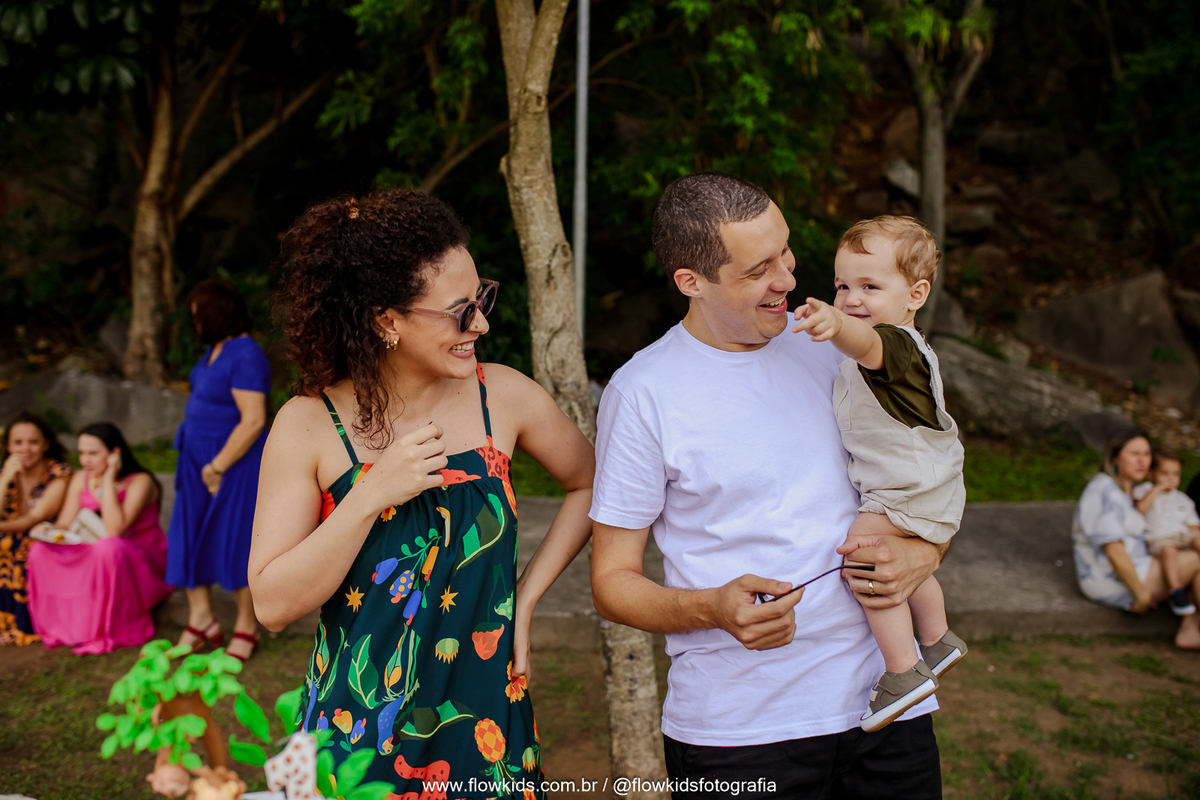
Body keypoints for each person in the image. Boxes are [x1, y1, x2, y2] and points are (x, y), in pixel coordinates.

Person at [590, 173, 945, 799]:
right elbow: (612, 582)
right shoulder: (642, 393)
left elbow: (927, 470)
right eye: (758, 270)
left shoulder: (841, 344)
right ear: (691, 281)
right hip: (739, 731)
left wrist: (927, 552)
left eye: (785, 253)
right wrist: (711, 608)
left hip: (890, 704)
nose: (785, 279)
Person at [249, 189, 594, 797]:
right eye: (460, 311)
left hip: (484, 716)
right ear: (387, 320)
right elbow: (272, 605)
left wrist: (524, 600)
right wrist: (370, 494)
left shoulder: (503, 397)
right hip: (357, 730)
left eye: (481, 299)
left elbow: (590, 483)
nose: (481, 324)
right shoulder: (308, 424)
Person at [792, 216, 967, 732]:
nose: (851, 299)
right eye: (842, 286)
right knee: (902, 563)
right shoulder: (902, 348)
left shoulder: (895, 347)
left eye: (870, 286)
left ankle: (902, 670)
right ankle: (937, 639)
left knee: (864, 558)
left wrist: (835, 323)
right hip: (923, 486)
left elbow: (864, 343)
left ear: (916, 295)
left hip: (907, 488)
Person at [167, 278, 269, 661]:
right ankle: (201, 619)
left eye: (198, 314)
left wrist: (218, 466)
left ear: (216, 313)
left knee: (234, 539)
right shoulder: (214, 349)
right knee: (188, 535)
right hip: (196, 458)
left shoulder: (246, 354)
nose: (194, 322)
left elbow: (253, 419)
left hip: (232, 461)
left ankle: (246, 625)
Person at [26, 422, 172, 654]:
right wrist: (47, 529)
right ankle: (64, 626)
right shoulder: (82, 478)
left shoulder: (140, 481)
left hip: (139, 557)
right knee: (39, 550)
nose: (85, 460)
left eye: (93, 453)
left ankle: (105, 627)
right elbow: (64, 523)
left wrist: (108, 478)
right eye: (82, 453)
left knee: (108, 547)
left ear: (115, 453)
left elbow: (115, 530)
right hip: (94, 548)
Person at [1073, 432, 1200, 649]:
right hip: (1113, 579)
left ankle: (1191, 629)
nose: (1142, 461)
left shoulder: (1125, 490)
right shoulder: (1105, 490)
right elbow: (1114, 552)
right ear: (1115, 457)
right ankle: (1191, 627)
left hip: (1137, 567)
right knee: (1197, 560)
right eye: (1134, 454)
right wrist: (1141, 594)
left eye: (1146, 454)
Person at [0, 412, 71, 645]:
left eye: (33, 442)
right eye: (18, 442)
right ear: (8, 446)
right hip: (12, 533)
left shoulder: (58, 473)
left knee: (15, 544)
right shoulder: (5, 472)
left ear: (45, 444)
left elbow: (35, 517)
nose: (25, 449)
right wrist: (6, 479)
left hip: (47, 538)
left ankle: (22, 625)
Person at [1132, 446, 1200, 615]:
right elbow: (1140, 508)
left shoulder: (1183, 499)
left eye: (1176, 474)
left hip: (1180, 535)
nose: (1170, 479)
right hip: (1158, 538)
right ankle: (1176, 590)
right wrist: (1156, 489)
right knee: (1169, 550)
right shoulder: (1144, 491)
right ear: (1151, 474)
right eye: (1164, 473)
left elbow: (1193, 526)